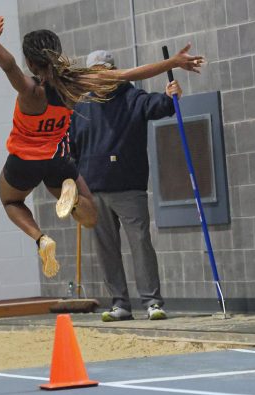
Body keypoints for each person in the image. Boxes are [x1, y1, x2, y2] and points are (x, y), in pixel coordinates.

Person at [0, 17, 204, 279]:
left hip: (24, 160)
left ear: (30, 63)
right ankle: (74, 199)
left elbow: (9, 67)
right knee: (90, 216)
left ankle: (40, 238)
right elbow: (128, 74)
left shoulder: (31, 90)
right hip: (56, 158)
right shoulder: (74, 84)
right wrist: (172, 63)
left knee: (11, 201)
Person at [70, 50, 182, 321]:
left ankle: (152, 302)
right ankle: (120, 304)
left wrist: (170, 96)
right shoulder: (80, 108)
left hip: (129, 187)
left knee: (140, 244)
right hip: (93, 190)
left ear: (115, 70)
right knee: (106, 250)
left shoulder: (132, 97)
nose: (101, 76)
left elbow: (158, 106)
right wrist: (72, 183)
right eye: (95, 71)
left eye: (105, 70)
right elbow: (71, 146)